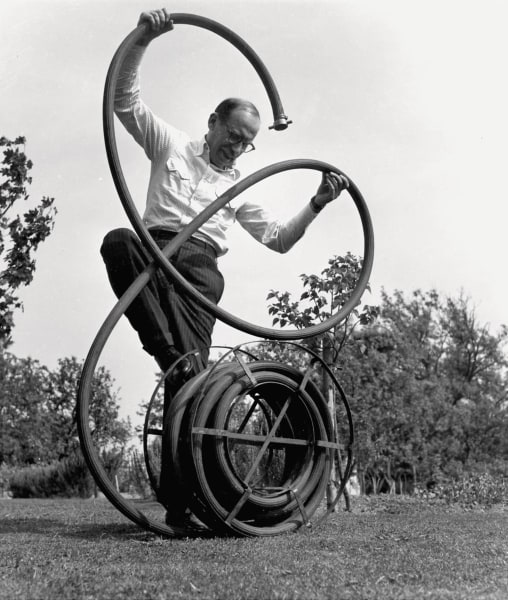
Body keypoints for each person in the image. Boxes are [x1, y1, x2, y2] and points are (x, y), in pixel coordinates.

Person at [100, 8, 350, 528]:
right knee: (117, 242)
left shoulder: (240, 185)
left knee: (185, 387)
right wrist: (144, 38)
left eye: (247, 142)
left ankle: (181, 508)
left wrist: (318, 203)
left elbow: (278, 239)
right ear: (212, 123)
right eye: (232, 134)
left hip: (199, 273)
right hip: (154, 250)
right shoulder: (169, 144)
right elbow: (124, 101)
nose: (237, 147)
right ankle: (173, 353)